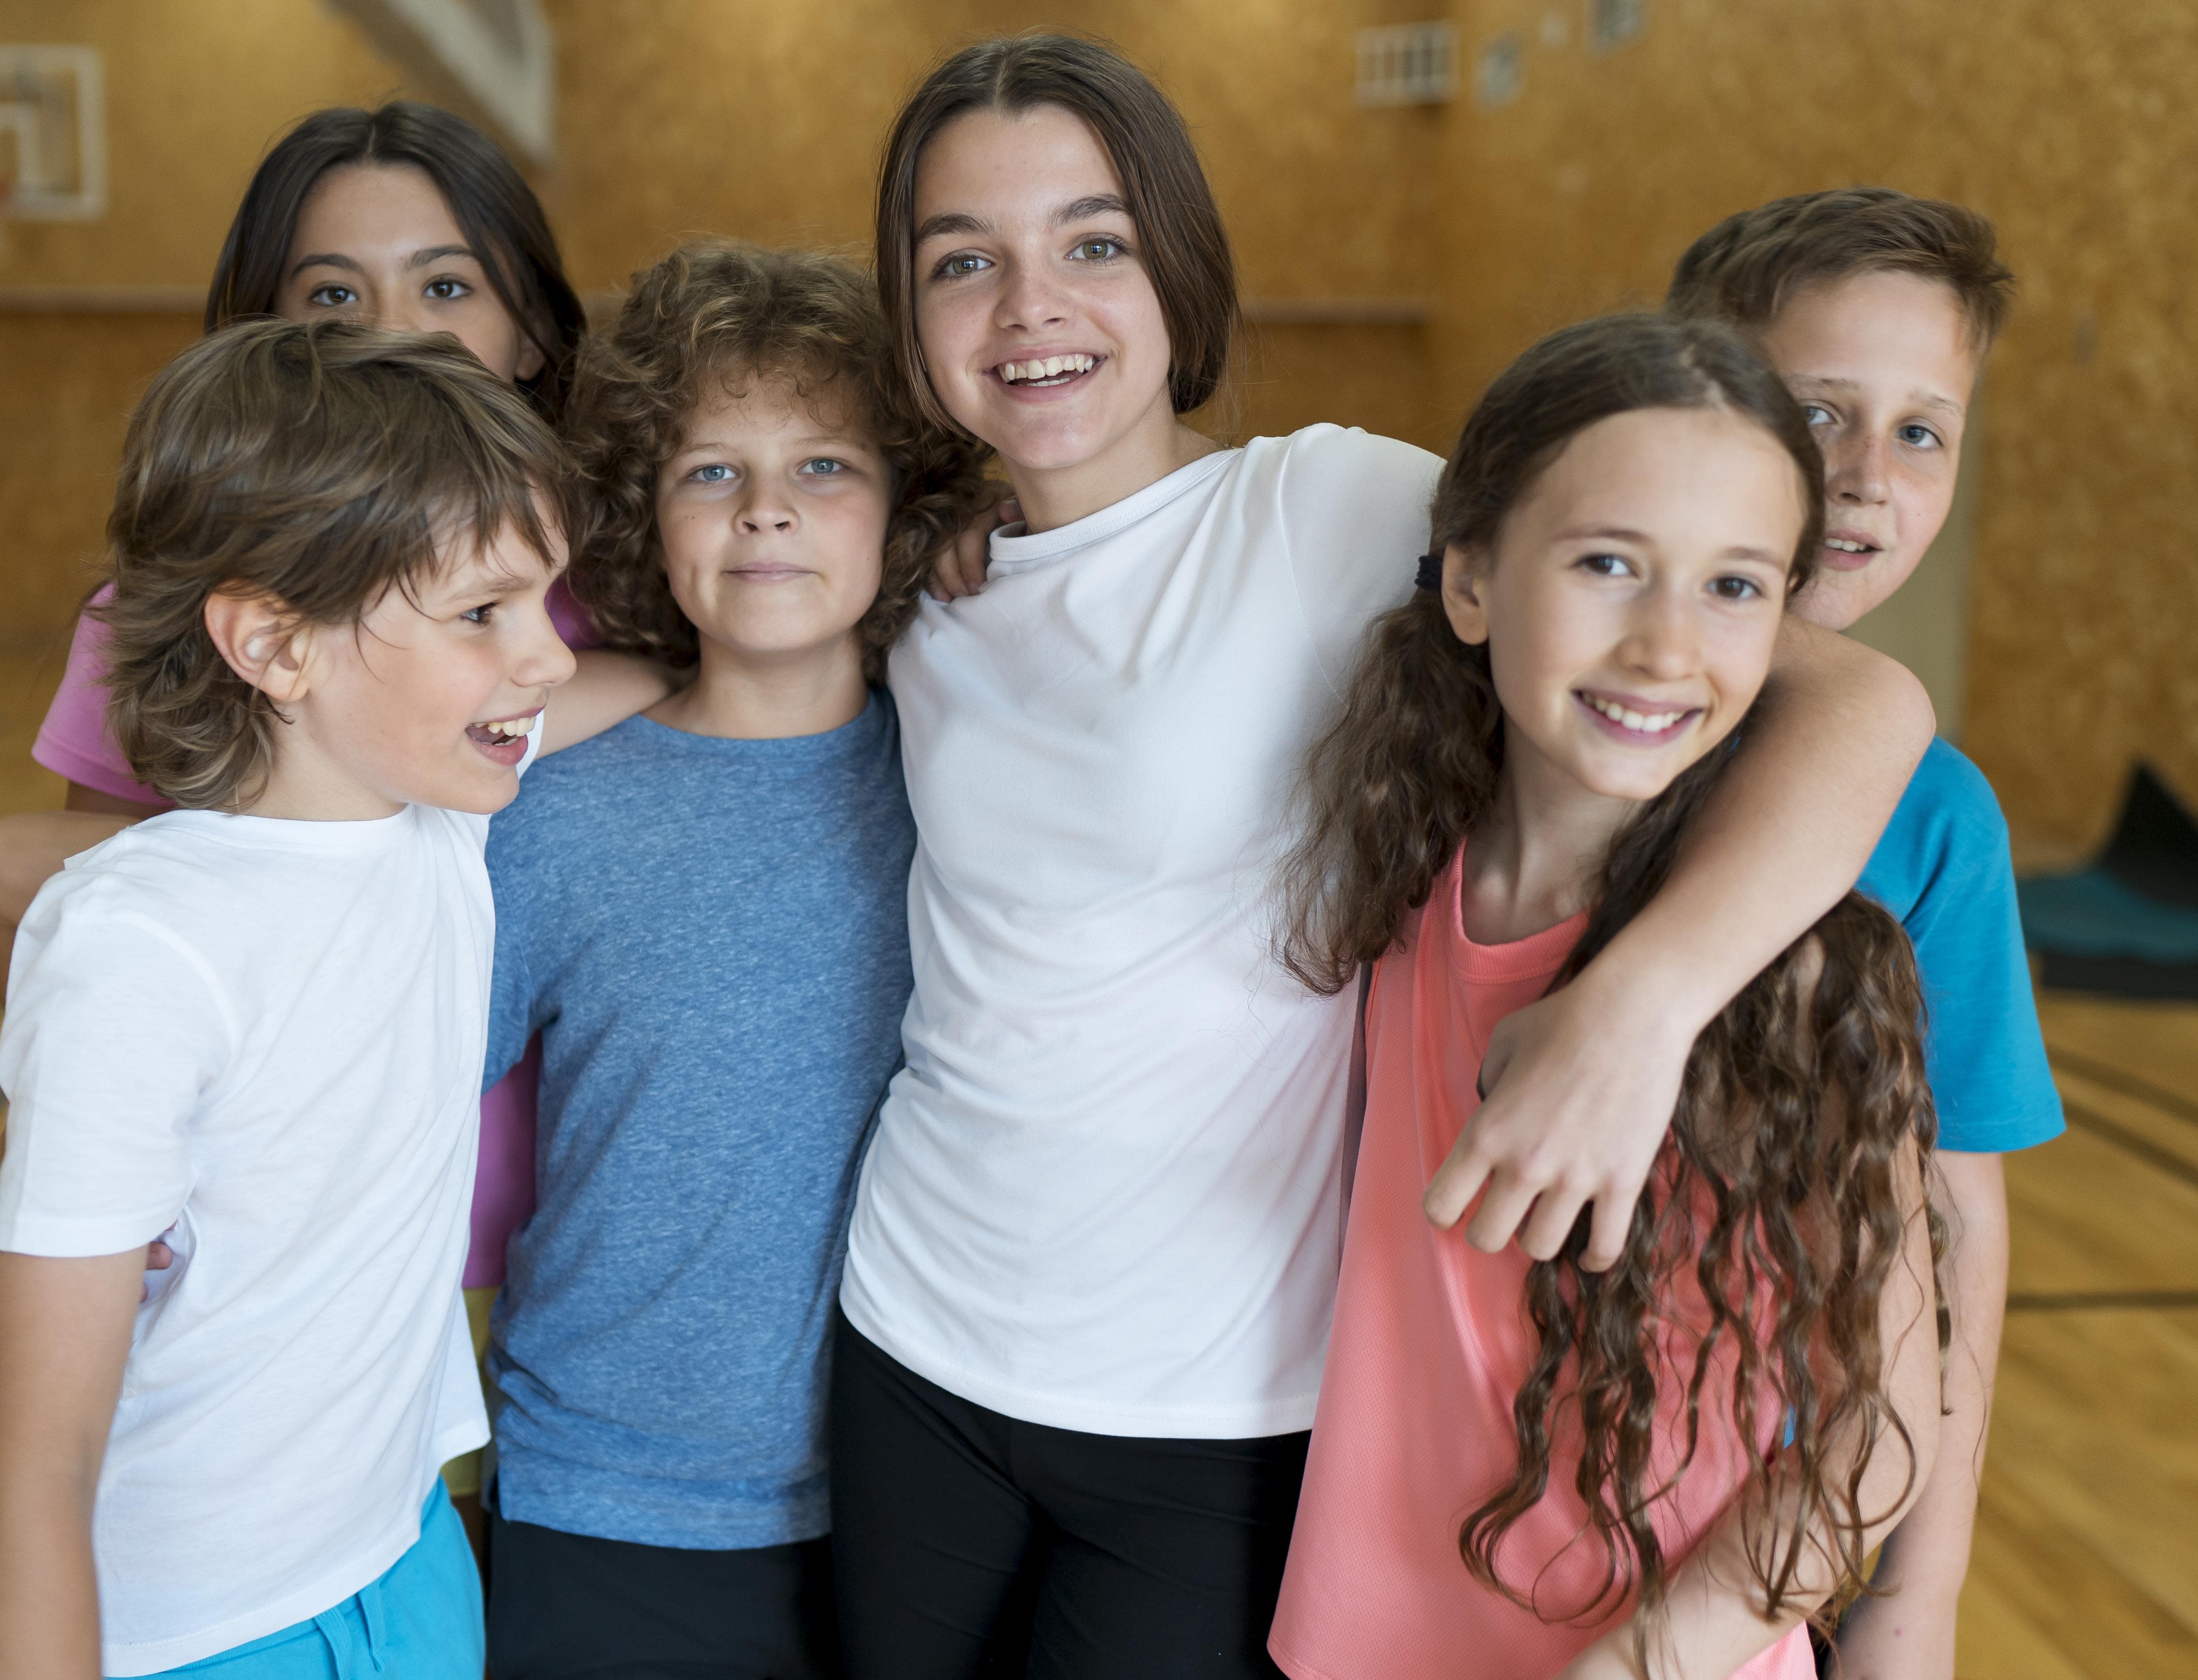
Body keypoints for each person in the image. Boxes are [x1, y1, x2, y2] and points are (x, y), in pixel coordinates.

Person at [828, 35, 1935, 1678]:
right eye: (961, 261)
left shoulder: (1327, 509)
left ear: (1174, 269)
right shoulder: (916, 574)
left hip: (1212, 1399)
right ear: (908, 313)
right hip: (911, 1320)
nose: (1030, 302)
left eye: (1093, 242)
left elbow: (1846, 688)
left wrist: (1641, 1006)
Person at [1267, 312, 1942, 1680]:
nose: (1662, 644)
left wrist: (1651, 1659)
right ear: (1469, 585)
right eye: (1607, 565)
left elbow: (1881, 1429)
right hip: (1352, 1643)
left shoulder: (1800, 972)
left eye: (1734, 587)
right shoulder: (1402, 864)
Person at [0, 319, 576, 1678]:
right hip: (201, 1630)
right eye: (484, 612)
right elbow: (26, 1481)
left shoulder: (439, 820)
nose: (547, 659)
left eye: (543, 601)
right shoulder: (144, 952)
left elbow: (642, 686)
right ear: (274, 645)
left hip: (405, 1558)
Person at [474, 241, 984, 1680]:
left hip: (912, 1496)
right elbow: (387, 1098)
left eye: (824, 467)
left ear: (905, 508)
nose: (766, 510)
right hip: (599, 1496)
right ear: (645, 510)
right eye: (710, 472)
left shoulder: (972, 784)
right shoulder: (554, 805)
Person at [1664, 187, 2062, 1680]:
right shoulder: (1537, 722)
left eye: (1920, 429)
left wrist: (1921, 1593)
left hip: (1756, 1543)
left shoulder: (1934, 817)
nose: (1861, 474)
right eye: (1813, 407)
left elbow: (1958, 1218)